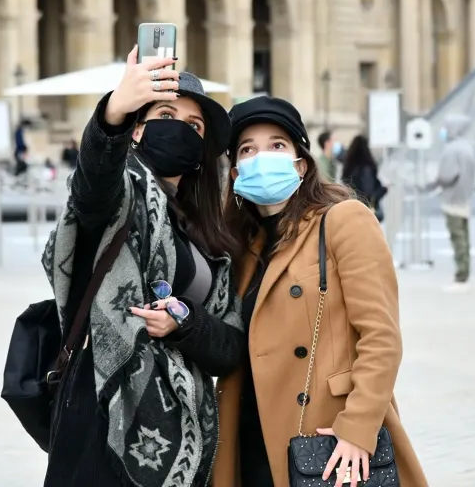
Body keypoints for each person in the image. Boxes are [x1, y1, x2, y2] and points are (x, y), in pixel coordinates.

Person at [41, 47, 245, 487]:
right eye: (166, 116)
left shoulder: (204, 234)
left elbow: (230, 347)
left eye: (194, 125)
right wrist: (114, 114)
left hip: (182, 438)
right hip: (102, 414)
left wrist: (184, 323)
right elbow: (93, 183)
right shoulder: (119, 198)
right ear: (138, 130)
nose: (181, 129)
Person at [211, 96, 428, 487]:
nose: (262, 157)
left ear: (301, 163)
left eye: (277, 145)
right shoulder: (243, 248)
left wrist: (357, 429)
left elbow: (381, 336)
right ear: (235, 172)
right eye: (248, 149)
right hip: (250, 441)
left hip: (326, 439)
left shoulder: (344, 220)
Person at [427, 114, 475, 292]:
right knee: (464, 236)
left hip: (452, 198)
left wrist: (435, 183)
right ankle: (464, 271)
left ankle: (461, 274)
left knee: (457, 237)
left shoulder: (451, 150)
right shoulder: (468, 148)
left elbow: (447, 175)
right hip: (465, 197)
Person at [341, 135, 388, 222]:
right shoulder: (366, 168)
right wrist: (384, 189)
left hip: (351, 212)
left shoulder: (348, 168)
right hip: (364, 213)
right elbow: (369, 194)